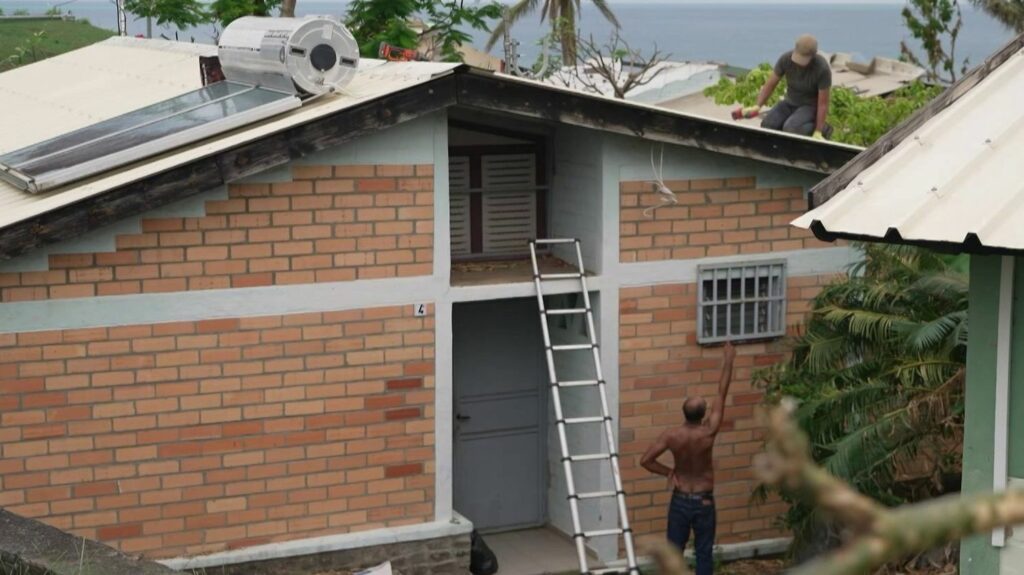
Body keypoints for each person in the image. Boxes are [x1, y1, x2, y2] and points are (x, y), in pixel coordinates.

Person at [639, 342, 737, 575]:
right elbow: (721, 392)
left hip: (680, 499)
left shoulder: (672, 436)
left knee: (674, 553)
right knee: (704, 552)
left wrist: (668, 472)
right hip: (704, 500)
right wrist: (729, 360)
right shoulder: (709, 432)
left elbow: (645, 460)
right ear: (704, 414)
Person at [736, 34, 832, 139]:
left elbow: (823, 103)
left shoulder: (822, 69)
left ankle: (823, 129)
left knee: (790, 128)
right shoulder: (786, 59)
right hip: (789, 102)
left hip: (809, 107)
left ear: (813, 55)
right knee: (767, 125)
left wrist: (818, 131)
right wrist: (757, 106)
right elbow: (770, 84)